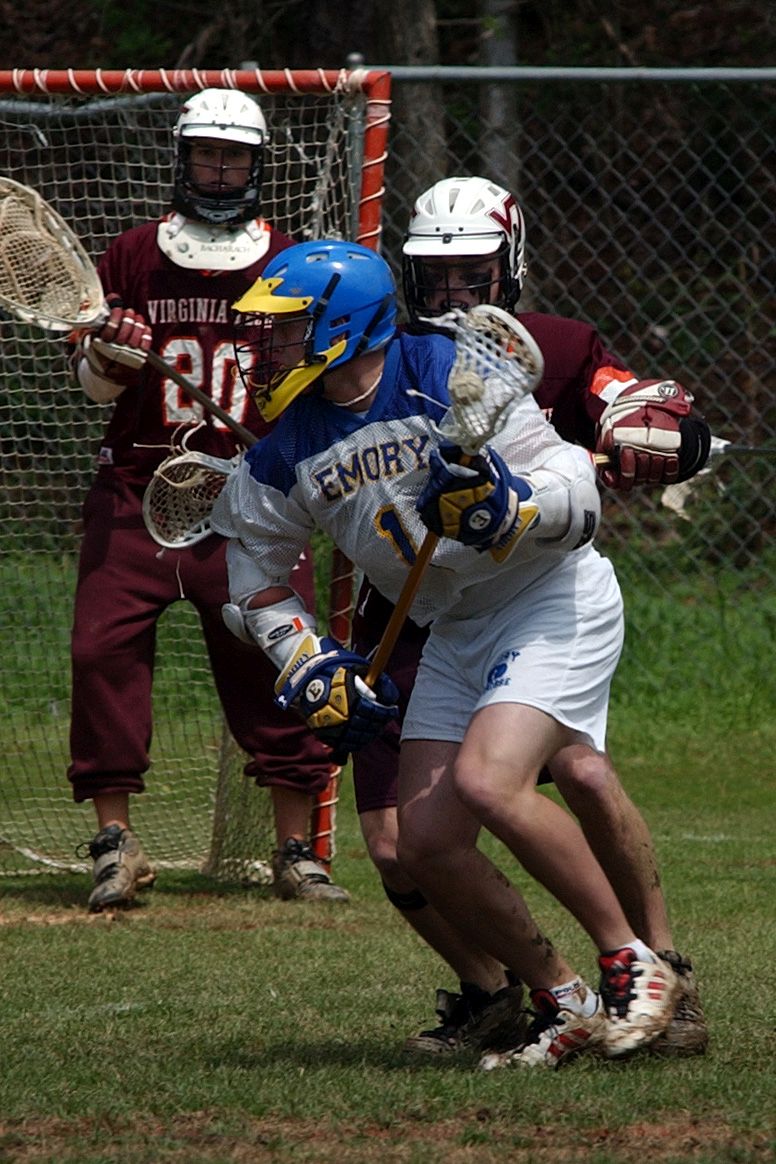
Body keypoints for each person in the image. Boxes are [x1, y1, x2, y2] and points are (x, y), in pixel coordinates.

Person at [211, 237, 683, 1069]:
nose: (267, 347)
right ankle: (565, 999)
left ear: (341, 326)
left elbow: (573, 486)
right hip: (457, 626)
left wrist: (511, 509)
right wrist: (307, 660)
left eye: (285, 328)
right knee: (422, 842)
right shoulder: (289, 445)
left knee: (489, 782)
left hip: (549, 599)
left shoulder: (443, 370)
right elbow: (252, 576)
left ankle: (633, 964)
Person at [350, 176, 710, 1060]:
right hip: (411, 609)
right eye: (436, 276)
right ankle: (499, 992)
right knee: (399, 842)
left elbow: (636, 406)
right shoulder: (387, 356)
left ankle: (660, 964)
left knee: (578, 773)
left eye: (471, 273)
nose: (452, 293)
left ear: (509, 266)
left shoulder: (558, 346)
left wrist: (661, 431)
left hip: (528, 596)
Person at [67, 88, 349, 911]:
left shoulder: (289, 260)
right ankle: (116, 843)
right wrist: (115, 356)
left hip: (251, 498)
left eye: (233, 157)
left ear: (255, 166)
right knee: (99, 652)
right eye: (206, 154)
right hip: (137, 488)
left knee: (279, 656)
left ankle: (295, 849)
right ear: (183, 157)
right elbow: (90, 385)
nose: (219, 170)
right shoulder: (132, 254)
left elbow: (321, 376)